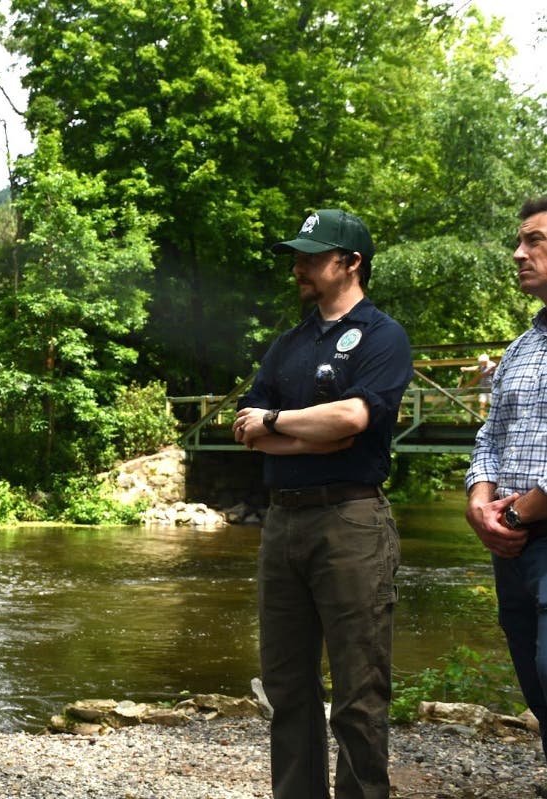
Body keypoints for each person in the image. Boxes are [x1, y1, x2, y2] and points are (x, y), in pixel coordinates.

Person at [232, 209, 412, 799]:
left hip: (351, 521)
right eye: (298, 255)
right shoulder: (288, 344)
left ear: (351, 262)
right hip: (283, 522)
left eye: (312, 255)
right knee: (287, 688)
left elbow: (354, 417)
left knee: (359, 693)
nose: (298, 266)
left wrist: (282, 421)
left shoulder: (382, 335)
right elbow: (246, 427)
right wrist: (315, 431)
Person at [465, 196, 547, 761]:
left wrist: (520, 512)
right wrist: (479, 502)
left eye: (534, 241)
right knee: (535, 682)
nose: (518, 253)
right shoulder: (519, 348)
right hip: (512, 544)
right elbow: (488, 436)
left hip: (532, 530)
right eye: (518, 241)